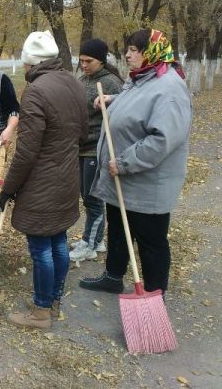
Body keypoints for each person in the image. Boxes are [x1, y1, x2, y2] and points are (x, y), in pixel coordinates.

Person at [79, 29, 191, 295]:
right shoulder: (143, 78)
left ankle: (154, 295)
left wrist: (124, 162)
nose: (127, 55)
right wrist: (113, 100)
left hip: (147, 184)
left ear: (152, 52)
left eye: (134, 50)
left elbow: (162, 140)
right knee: (119, 230)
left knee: (151, 242)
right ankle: (113, 277)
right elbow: (139, 104)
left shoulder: (170, 89)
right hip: (124, 181)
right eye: (128, 49)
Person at [0, 31, 88, 329]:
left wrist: (8, 189)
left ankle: (40, 312)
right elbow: (83, 133)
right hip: (67, 178)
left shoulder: (36, 91)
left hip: (42, 184)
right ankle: (52, 299)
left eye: (25, 63)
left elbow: (26, 153)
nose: (25, 68)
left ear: (33, 62)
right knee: (59, 241)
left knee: (41, 250)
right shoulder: (74, 82)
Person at [69, 39, 124, 262]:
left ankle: (89, 244)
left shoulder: (111, 82)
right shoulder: (82, 80)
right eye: (81, 60)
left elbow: (125, 109)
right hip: (80, 147)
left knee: (92, 198)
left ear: (100, 60)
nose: (84, 65)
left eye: (88, 61)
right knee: (86, 195)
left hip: (97, 148)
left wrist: (109, 103)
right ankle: (97, 239)